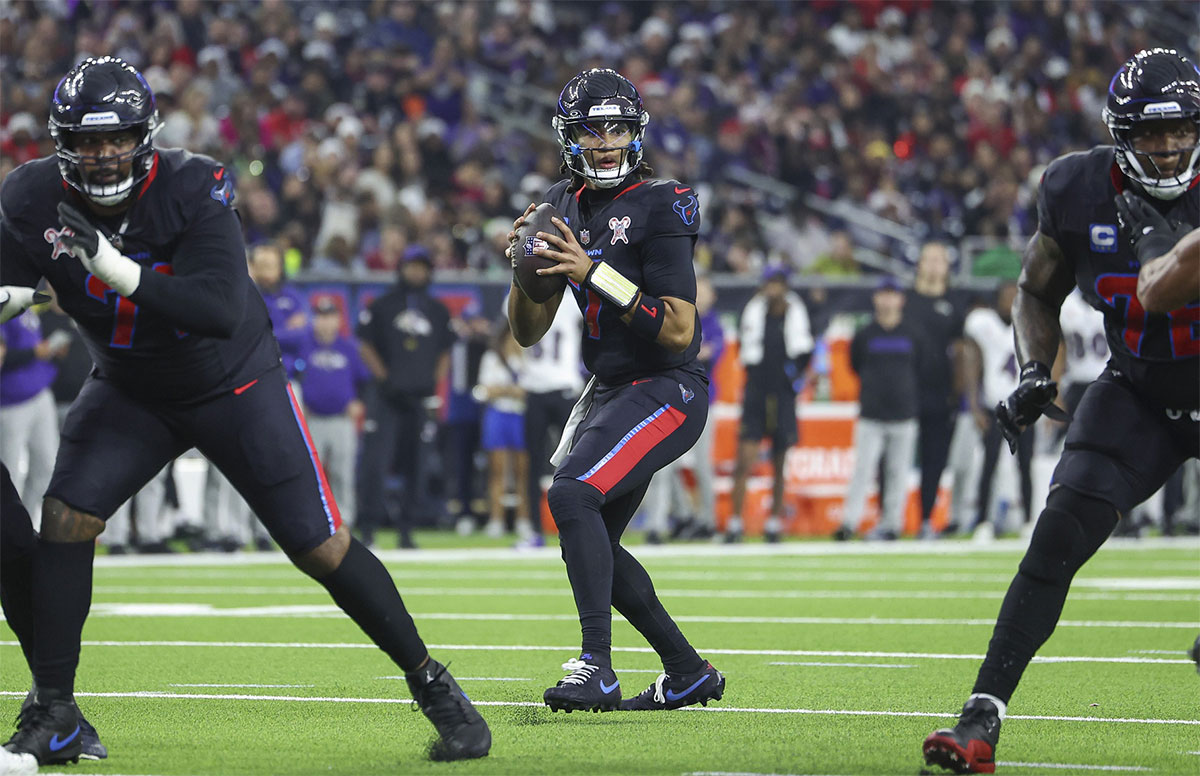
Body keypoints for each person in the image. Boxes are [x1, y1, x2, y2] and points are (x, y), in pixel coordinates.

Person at [0, 57, 489, 766]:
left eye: (117, 138)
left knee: (318, 544)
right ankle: (57, 711)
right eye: (86, 140)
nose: (102, 154)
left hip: (231, 384)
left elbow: (222, 310)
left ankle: (432, 683)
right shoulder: (31, 195)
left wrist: (113, 267)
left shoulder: (194, 183)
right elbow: (12, 281)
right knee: (66, 518)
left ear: (145, 136)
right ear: (61, 142)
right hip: (132, 387)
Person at [923, 48, 1199, 774]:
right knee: (1053, 539)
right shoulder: (1076, 186)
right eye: (1149, 134)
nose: (1169, 149)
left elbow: (1160, 287)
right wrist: (1035, 369)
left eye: (1182, 132)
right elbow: (1037, 289)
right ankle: (981, 719)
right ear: (1119, 133)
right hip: (1139, 388)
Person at [506, 68, 724, 713]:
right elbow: (527, 330)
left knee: (572, 495)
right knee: (592, 531)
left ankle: (595, 666)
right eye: (592, 129)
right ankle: (686, 671)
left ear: (636, 132)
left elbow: (679, 327)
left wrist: (593, 271)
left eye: (619, 127)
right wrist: (523, 270)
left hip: (668, 385)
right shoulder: (561, 204)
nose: (606, 141)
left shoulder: (664, 199)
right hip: (611, 391)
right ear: (569, 138)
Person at [356, 244, 454, 549]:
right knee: (375, 462)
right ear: (401, 268)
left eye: (422, 267)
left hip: (419, 398)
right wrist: (384, 379)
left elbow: (444, 353)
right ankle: (369, 526)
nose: (417, 272)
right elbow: (366, 346)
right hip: (386, 398)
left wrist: (431, 386)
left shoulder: (437, 311)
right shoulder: (383, 305)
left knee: (417, 465)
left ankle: (407, 529)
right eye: (412, 266)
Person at [727, 264, 813, 542]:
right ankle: (735, 522)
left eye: (778, 283)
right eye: (769, 283)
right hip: (757, 390)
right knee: (745, 459)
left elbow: (803, 353)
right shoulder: (754, 311)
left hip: (782, 392)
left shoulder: (794, 313)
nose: (773, 289)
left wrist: (793, 378)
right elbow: (746, 348)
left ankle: (774, 522)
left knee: (779, 460)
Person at [835, 276, 921, 541]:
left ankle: (892, 523)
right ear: (876, 298)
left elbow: (920, 367)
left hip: (904, 413)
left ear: (900, 299)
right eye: (883, 294)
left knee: (898, 471)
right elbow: (855, 364)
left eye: (891, 294)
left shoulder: (912, 333)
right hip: (871, 413)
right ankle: (850, 522)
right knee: (863, 469)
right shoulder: (865, 334)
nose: (887, 300)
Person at [904, 242, 967, 538]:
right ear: (918, 263)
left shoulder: (954, 304)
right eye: (927, 258)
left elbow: (962, 352)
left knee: (935, 459)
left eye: (938, 259)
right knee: (894, 458)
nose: (932, 265)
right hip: (904, 392)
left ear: (947, 266)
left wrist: (959, 392)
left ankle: (927, 518)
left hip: (941, 394)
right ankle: (889, 518)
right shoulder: (904, 300)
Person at [516, 292, 584, 547]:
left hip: (563, 388)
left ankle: (579, 525)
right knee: (534, 465)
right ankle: (535, 529)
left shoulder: (568, 297)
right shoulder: (526, 293)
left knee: (575, 461)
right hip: (536, 390)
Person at [298, 297, 369, 529]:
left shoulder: (349, 348)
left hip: (341, 420)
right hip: (312, 419)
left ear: (338, 320)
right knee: (309, 475)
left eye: (330, 316)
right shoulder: (304, 346)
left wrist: (359, 402)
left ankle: (344, 522)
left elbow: (366, 381)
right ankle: (311, 522)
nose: (326, 322)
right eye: (321, 316)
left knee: (343, 474)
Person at [0, 305, 63, 528]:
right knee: (9, 473)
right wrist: (35, 352)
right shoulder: (4, 301)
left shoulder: (23, 301)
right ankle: (7, 531)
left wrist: (44, 352)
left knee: (47, 467)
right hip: (10, 400)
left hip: (39, 392)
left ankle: (22, 525)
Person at [474, 323, 532, 539]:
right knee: (497, 472)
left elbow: (529, 390)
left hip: (520, 416)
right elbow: (485, 389)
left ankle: (523, 519)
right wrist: (510, 391)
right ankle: (496, 519)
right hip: (498, 416)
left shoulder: (529, 358)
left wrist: (503, 390)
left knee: (522, 473)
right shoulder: (492, 358)